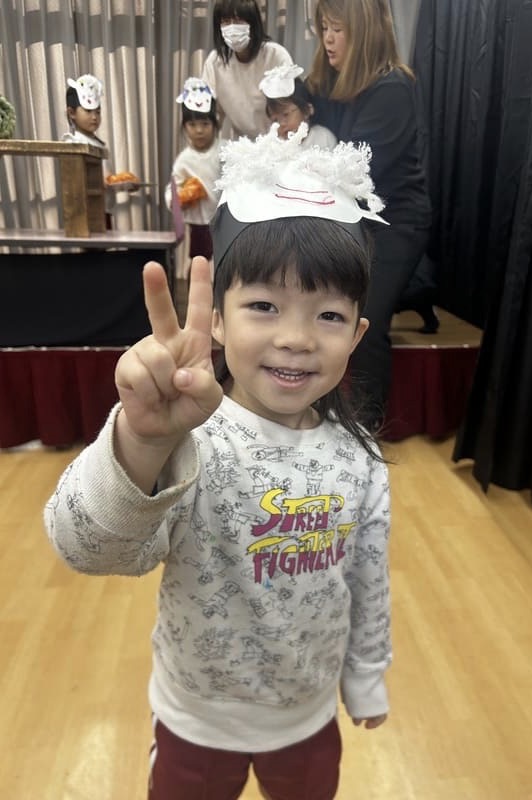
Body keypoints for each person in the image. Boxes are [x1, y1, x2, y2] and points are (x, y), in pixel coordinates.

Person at [44, 127, 392, 800]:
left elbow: (367, 578)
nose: (295, 337)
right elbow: (84, 546)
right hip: (196, 720)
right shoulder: (195, 441)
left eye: (327, 315)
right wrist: (143, 443)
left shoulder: (360, 459)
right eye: (264, 306)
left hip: (307, 715)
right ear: (220, 322)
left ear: (356, 335)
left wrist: (366, 674)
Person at [307, 0, 434, 432]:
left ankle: (366, 433)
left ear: (363, 31)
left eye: (337, 29)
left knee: (367, 323)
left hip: (397, 223)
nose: (327, 39)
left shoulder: (391, 87)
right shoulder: (339, 81)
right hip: (359, 219)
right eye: (324, 28)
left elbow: (356, 170)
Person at [201, 0, 293, 141]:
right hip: (243, 145)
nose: (232, 28)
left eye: (239, 20)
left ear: (253, 23)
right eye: (226, 21)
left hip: (280, 141)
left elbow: (291, 110)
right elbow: (211, 114)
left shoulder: (276, 56)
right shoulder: (215, 62)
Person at [62, 73, 138, 225]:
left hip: (104, 210)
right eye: (88, 111)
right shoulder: (73, 142)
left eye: (97, 111)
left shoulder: (99, 144)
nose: (94, 117)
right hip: (85, 212)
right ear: (72, 113)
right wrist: (100, 181)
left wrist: (123, 184)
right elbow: (75, 179)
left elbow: (106, 180)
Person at [164, 77, 221, 265]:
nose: (199, 130)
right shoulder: (184, 160)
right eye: (192, 125)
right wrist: (176, 200)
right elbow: (173, 189)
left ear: (215, 124)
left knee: (224, 263)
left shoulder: (224, 151)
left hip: (224, 220)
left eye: (205, 124)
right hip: (199, 223)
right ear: (184, 126)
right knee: (199, 262)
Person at [259, 64, 337, 148]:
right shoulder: (274, 145)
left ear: (307, 110)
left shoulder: (323, 138)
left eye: (286, 115)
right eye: (275, 120)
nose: (281, 124)